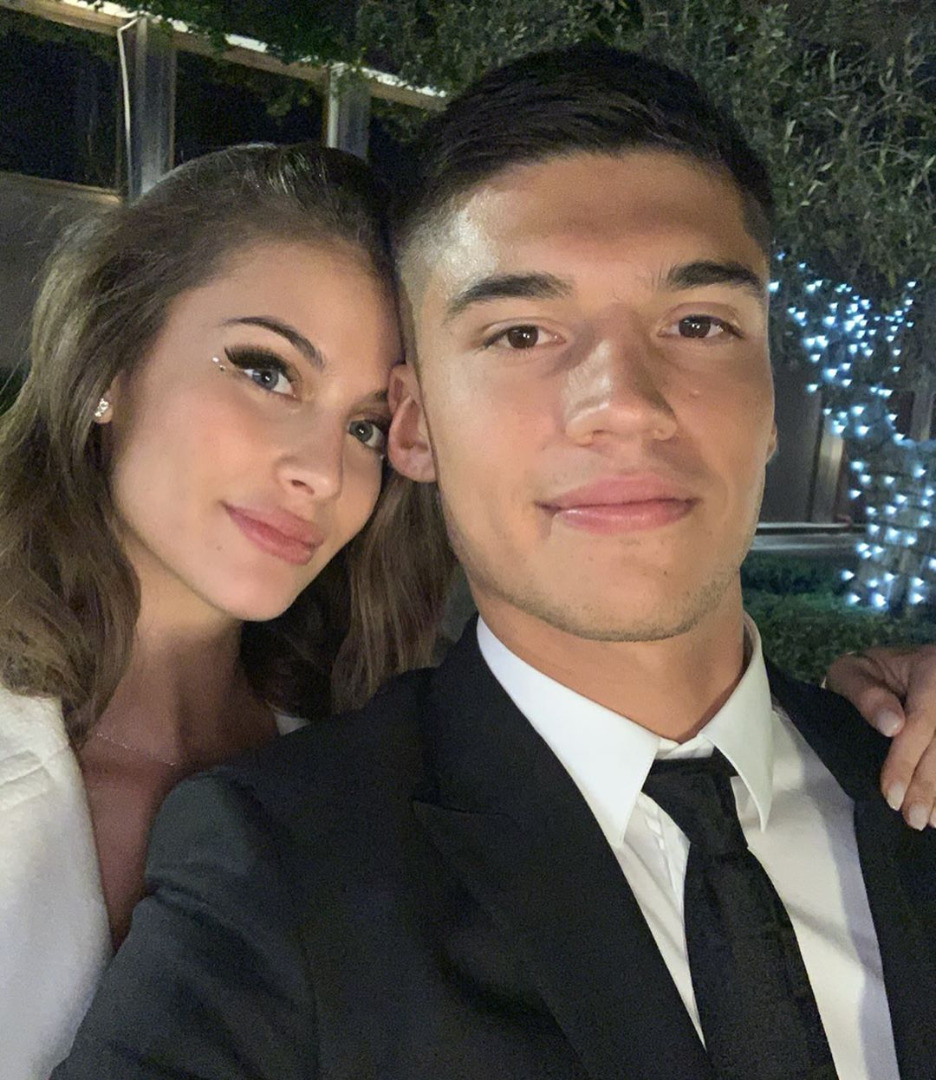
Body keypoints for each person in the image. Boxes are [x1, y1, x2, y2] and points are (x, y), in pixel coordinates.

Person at [51, 44, 936, 1080]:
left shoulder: (903, 776)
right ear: (417, 426)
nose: (624, 404)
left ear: (771, 398)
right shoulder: (279, 870)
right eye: (521, 334)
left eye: (698, 323)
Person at [0, 142, 452, 1080]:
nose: (321, 471)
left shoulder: (374, 765)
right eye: (267, 371)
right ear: (110, 359)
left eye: (365, 427)